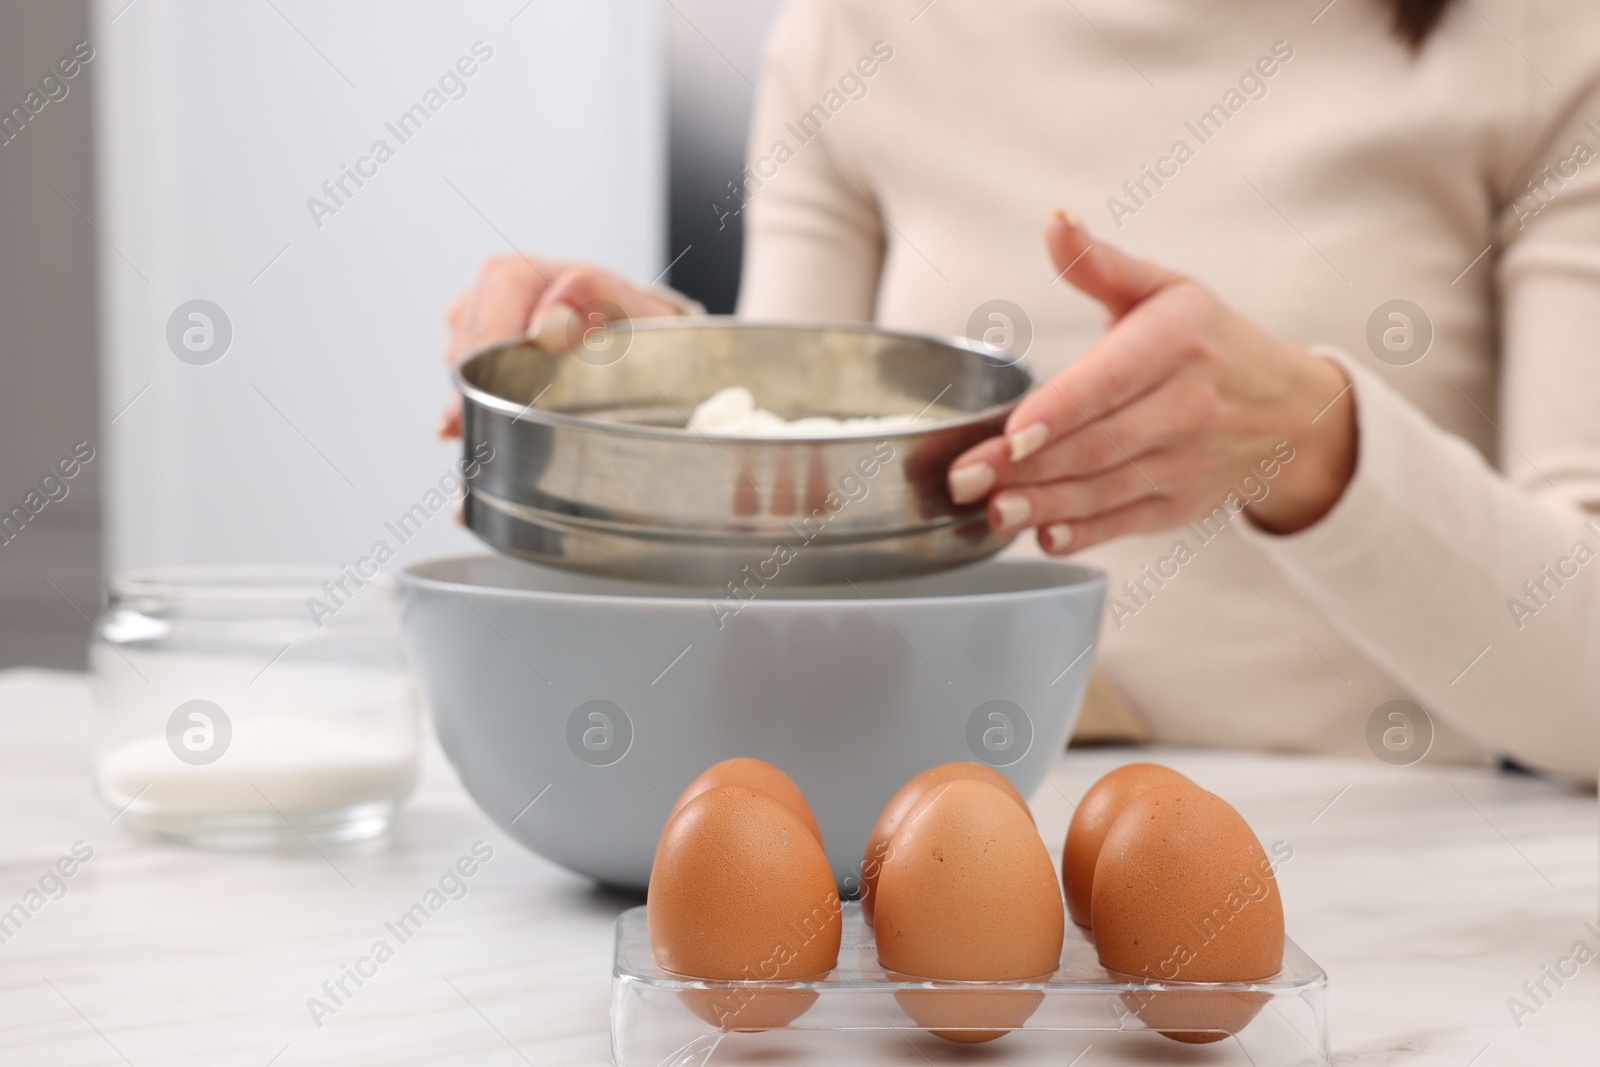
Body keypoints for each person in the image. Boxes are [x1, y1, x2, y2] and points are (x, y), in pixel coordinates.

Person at [443, 0, 1599, 783]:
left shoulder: (1541, 40)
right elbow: (782, 575)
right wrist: (657, 411)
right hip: (916, 847)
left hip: (1389, 904)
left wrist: (1310, 447)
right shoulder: (864, 29)